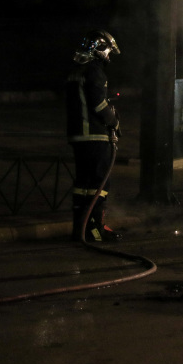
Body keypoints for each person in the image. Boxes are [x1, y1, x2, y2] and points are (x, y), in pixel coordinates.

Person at [66, 30, 122, 242]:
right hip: (95, 136)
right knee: (100, 185)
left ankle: (80, 229)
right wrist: (114, 121)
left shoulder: (76, 71)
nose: (108, 57)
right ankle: (96, 230)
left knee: (83, 186)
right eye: (108, 52)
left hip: (78, 136)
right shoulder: (95, 71)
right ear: (100, 49)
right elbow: (98, 104)